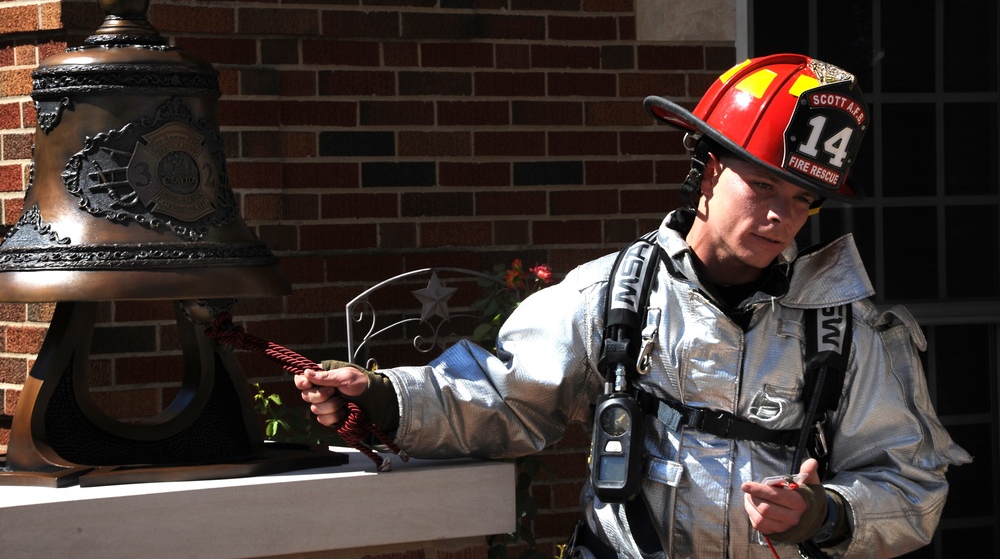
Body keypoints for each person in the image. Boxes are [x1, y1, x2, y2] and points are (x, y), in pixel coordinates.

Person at [296, 54, 971, 558]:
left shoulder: (846, 327)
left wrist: (822, 513)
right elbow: (506, 397)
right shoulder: (613, 294)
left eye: (802, 199)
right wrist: (385, 398)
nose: (780, 215)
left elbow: (912, 487)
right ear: (708, 169)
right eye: (763, 183)